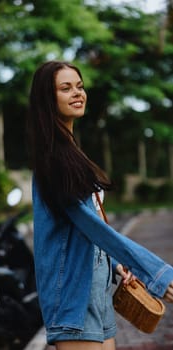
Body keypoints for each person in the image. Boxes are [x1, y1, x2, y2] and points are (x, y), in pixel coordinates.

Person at [27, 60, 173, 350]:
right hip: (72, 295)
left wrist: (117, 265)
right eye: (66, 88)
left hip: (98, 291)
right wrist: (154, 272)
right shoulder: (54, 160)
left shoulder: (71, 153)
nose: (77, 93)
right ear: (47, 98)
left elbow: (88, 228)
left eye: (80, 86)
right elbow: (93, 226)